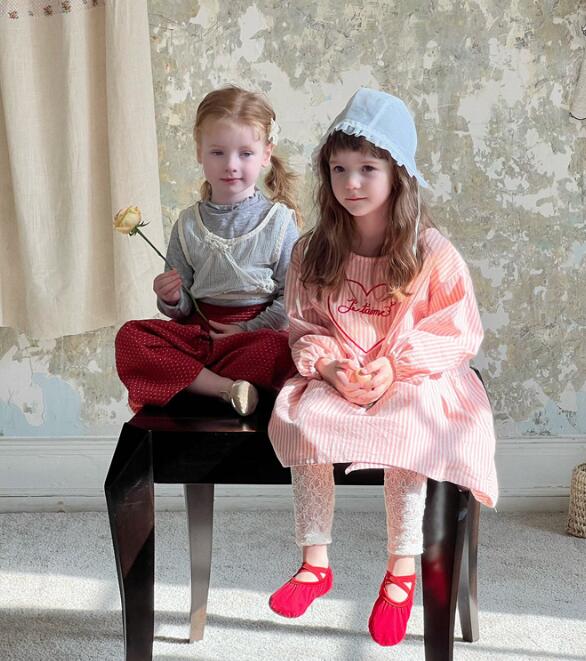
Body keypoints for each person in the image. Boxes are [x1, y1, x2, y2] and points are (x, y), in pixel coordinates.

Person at [267, 88, 498, 646]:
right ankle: (315, 561)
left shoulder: (431, 252)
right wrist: (328, 368)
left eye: (367, 169)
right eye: (339, 169)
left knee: (409, 424)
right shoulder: (312, 252)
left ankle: (401, 568)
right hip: (343, 373)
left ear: (398, 174)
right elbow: (304, 325)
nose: (351, 183)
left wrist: (396, 366)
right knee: (305, 417)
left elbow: (458, 329)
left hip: (412, 377)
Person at [115, 86, 301, 416]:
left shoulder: (279, 223)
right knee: (131, 336)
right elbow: (182, 307)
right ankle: (226, 389)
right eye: (218, 152)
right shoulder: (188, 224)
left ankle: (205, 382)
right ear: (200, 152)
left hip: (253, 338)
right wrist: (172, 298)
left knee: (286, 350)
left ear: (265, 155)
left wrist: (245, 329)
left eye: (245, 154)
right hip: (200, 339)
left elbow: (293, 299)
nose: (231, 165)